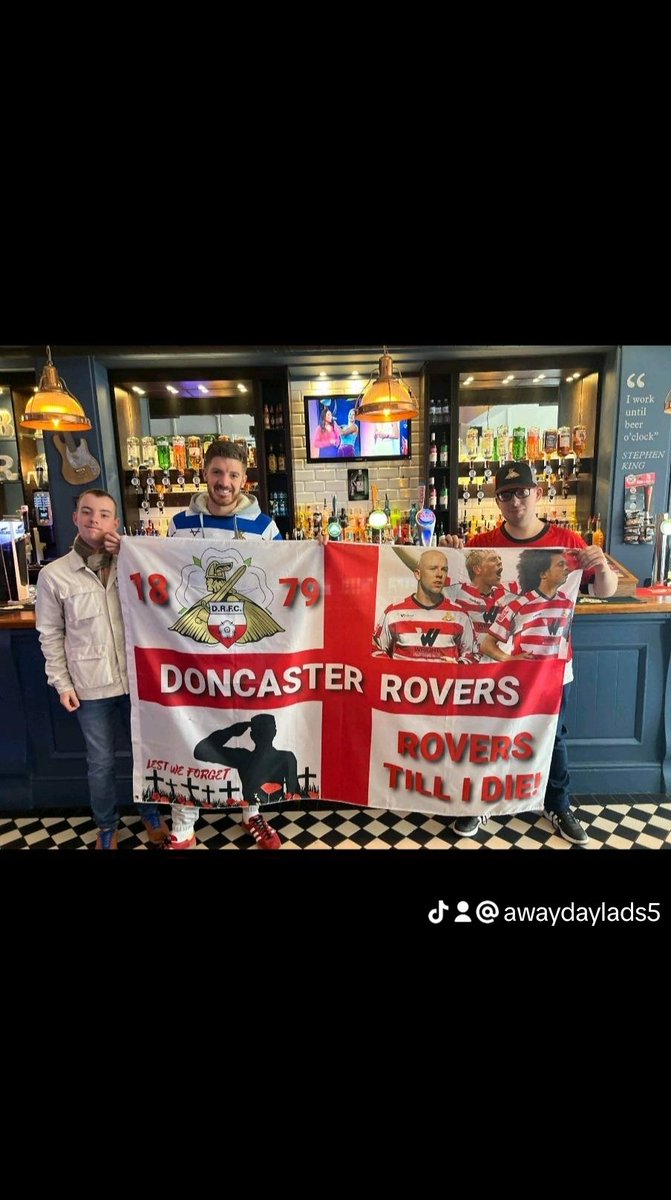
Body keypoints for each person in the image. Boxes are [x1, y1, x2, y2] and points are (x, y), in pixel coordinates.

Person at [443, 460, 617, 843]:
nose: (515, 501)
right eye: (506, 494)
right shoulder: (483, 545)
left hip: (552, 666)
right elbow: (450, 584)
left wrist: (601, 565)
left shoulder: (568, 542)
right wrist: (453, 552)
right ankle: (479, 801)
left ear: (538, 493)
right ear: (497, 501)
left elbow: (604, 589)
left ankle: (557, 803)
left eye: (522, 491)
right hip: (496, 667)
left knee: (552, 735)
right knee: (484, 731)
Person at [167, 439, 317, 848]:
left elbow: (282, 576)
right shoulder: (179, 524)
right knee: (188, 723)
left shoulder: (263, 526)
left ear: (244, 480)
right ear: (204, 474)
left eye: (232, 475)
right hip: (195, 646)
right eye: (217, 472)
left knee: (256, 728)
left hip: (249, 645)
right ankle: (183, 823)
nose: (224, 482)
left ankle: (252, 813)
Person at [35, 489, 169, 850]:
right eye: (88, 512)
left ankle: (151, 813)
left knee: (145, 753)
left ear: (115, 523)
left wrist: (130, 553)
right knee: (101, 763)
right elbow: (49, 634)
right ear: (75, 518)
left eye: (105, 514)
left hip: (137, 680)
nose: (95, 519)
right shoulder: (54, 575)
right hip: (90, 685)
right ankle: (107, 824)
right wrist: (61, 683)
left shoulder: (131, 564)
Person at [373, 549, 477, 662]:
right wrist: (396, 670)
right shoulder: (393, 613)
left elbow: (473, 655)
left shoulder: (460, 615)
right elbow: (375, 650)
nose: (439, 574)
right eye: (433, 569)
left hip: (444, 679)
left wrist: (457, 666)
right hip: (405, 680)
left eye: (444, 569)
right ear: (418, 574)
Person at [194, 715, 300, 820]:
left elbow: (201, 751)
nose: (263, 734)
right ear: (274, 732)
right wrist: (231, 731)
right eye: (261, 731)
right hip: (274, 813)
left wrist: (231, 731)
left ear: (252, 735)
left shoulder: (244, 757)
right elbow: (201, 751)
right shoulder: (284, 757)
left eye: (265, 730)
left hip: (276, 812)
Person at [479, 549, 575, 663]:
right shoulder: (518, 605)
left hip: (557, 674)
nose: (567, 569)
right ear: (544, 574)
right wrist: (510, 659)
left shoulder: (568, 602)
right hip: (525, 675)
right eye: (560, 565)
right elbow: (486, 645)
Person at [445, 549, 517, 654]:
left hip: (497, 665)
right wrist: (443, 549)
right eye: (493, 559)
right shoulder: (457, 591)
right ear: (477, 569)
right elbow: (425, 571)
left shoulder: (509, 590)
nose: (500, 562)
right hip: (469, 662)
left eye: (499, 559)